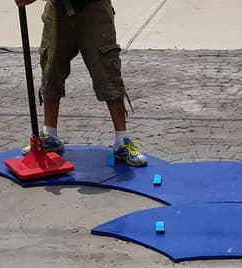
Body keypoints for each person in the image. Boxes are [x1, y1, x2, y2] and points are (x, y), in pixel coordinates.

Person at [14, 0, 147, 167]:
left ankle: (122, 141)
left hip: (93, 6)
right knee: (51, 66)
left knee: (106, 69)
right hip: (58, 8)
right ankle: (49, 135)